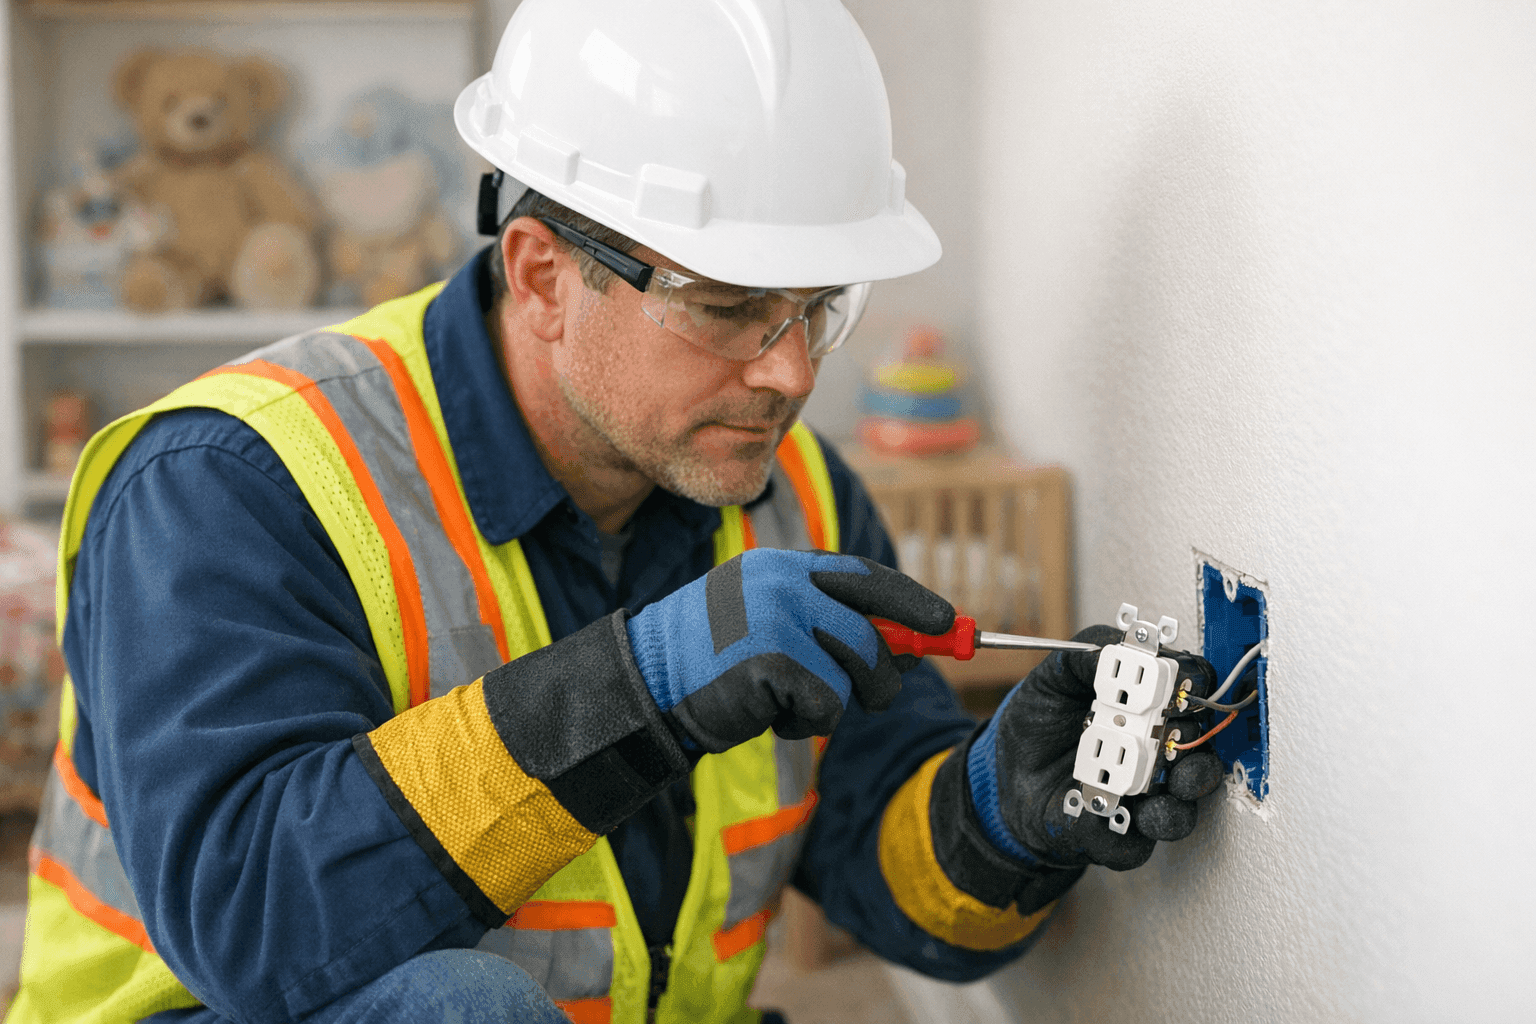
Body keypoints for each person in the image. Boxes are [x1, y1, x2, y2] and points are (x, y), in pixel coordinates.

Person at [11, 2, 1225, 1022]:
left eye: (818, 307)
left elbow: (892, 882)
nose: (793, 371)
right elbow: (255, 919)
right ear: (542, 272)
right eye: (729, 306)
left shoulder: (794, 494)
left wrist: (1000, 814)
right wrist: (644, 686)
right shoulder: (234, 480)